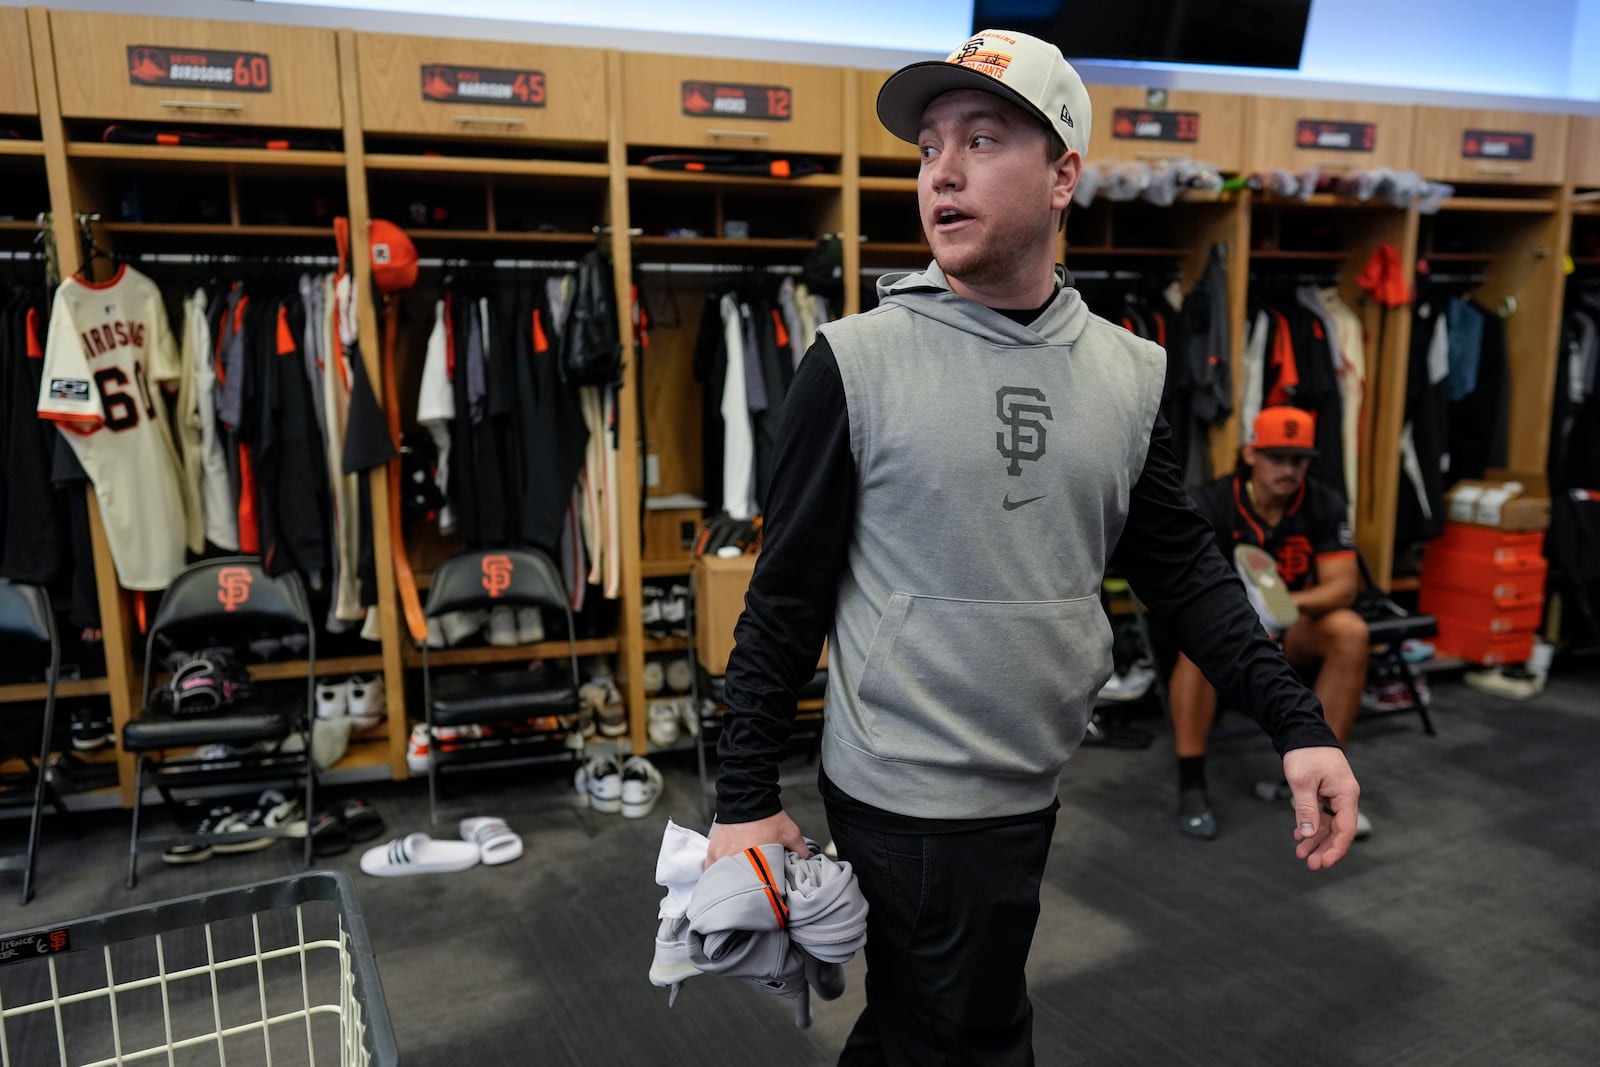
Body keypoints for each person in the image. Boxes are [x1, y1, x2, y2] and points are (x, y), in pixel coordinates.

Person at [705, 29, 1361, 1065]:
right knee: (969, 1028)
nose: (942, 173)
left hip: (1028, 777)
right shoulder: (853, 364)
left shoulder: (1132, 375)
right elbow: (784, 594)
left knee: (933, 1021)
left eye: (980, 139)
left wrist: (1297, 724)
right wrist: (741, 798)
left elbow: (1184, 570)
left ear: (1063, 177)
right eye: (927, 149)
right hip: (904, 782)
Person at [1172, 405, 1372, 841]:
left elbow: (1341, 588)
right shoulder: (1213, 502)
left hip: (1294, 628)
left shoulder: (1323, 502)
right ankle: (1191, 784)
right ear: (1250, 454)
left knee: (1350, 631)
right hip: (1227, 632)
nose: (1288, 469)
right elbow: (1188, 587)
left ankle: (1321, 783)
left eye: (1298, 460)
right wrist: (1247, 619)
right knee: (1195, 647)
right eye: (1276, 457)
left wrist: (1279, 606)